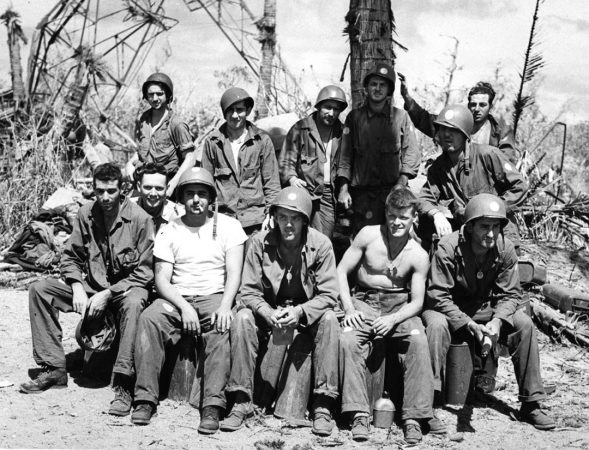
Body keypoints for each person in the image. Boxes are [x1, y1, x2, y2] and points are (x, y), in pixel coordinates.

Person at [20, 163, 154, 419]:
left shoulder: (140, 219)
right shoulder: (85, 214)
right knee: (40, 288)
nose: (105, 197)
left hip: (123, 294)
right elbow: (70, 256)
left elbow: (144, 273)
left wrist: (108, 294)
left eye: (111, 191)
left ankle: (124, 383)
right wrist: (77, 287)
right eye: (100, 191)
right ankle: (54, 368)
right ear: (93, 189)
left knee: (136, 301)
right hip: (91, 290)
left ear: (123, 189)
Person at [422, 193, 555, 430]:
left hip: (488, 309)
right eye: (484, 226)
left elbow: (511, 294)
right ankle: (426, 404)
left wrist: (497, 321)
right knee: (434, 324)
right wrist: (468, 324)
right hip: (450, 310)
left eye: (496, 227)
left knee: (523, 325)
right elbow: (437, 296)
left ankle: (531, 403)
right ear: (470, 227)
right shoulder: (448, 248)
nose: (491, 233)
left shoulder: (504, 248)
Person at [131, 167, 246, 432]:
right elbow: (162, 280)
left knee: (220, 327)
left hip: (214, 296)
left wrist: (226, 305)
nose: (196, 200)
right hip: (177, 296)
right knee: (150, 318)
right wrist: (183, 306)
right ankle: (145, 399)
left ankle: (212, 406)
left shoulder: (229, 226)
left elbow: (234, 273)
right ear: (182, 198)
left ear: (211, 198)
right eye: (190, 194)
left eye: (202, 194)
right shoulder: (170, 230)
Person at [222, 187, 340, 436]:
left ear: (305, 221)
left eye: (295, 218)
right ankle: (241, 400)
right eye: (283, 217)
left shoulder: (321, 245)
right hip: (269, 313)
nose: (288, 224)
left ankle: (323, 405)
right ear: (274, 217)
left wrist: (299, 312)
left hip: (306, 314)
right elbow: (248, 291)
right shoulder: (258, 242)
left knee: (329, 319)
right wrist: (266, 312)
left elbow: (329, 295)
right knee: (242, 317)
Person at [337, 187, 439, 445]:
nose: (396, 222)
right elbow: (340, 272)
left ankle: (414, 417)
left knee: (417, 340)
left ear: (413, 217)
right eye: (392, 215)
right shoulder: (368, 236)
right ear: (386, 212)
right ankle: (359, 413)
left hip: (400, 308)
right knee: (349, 339)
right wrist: (349, 308)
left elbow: (417, 301)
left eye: (403, 217)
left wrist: (393, 319)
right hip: (365, 301)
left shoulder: (418, 254)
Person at [417, 104, 527, 251]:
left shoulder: (488, 155)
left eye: (453, 130)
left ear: (464, 135)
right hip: (467, 236)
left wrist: (493, 211)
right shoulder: (438, 168)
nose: (447, 135)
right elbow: (425, 198)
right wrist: (436, 214)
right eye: (443, 129)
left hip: (497, 234)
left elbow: (520, 186)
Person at [336, 63, 420, 235]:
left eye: (383, 85)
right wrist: (343, 190)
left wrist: (401, 184)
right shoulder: (354, 118)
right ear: (366, 88)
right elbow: (345, 157)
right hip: (362, 197)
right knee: (363, 243)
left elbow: (411, 153)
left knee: (395, 242)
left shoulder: (401, 117)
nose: (377, 89)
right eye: (373, 84)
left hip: (392, 194)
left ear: (389, 90)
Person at [201, 87, 280, 235]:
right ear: (224, 113)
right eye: (230, 110)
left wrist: (271, 214)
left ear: (248, 111)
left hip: (255, 221)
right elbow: (205, 184)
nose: (235, 115)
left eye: (240, 110)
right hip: (223, 220)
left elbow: (272, 183)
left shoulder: (262, 141)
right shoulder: (212, 143)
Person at [278, 85, 347, 239]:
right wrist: (292, 178)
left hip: (328, 194)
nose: (332, 113)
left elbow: (346, 164)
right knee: (297, 235)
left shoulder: (342, 132)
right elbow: (286, 159)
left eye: (336, 109)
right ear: (318, 106)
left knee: (323, 239)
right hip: (304, 190)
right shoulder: (300, 129)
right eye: (327, 107)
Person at [399, 76, 517, 163]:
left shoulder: (500, 130)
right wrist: (407, 97)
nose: (476, 109)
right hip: (455, 179)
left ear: (490, 107)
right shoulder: (456, 122)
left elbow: (506, 161)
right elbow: (425, 120)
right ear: (468, 105)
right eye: (473, 104)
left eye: (482, 105)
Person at [127, 72, 196, 198]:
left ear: (168, 95)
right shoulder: (144, 119)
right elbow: (142, 150)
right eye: (151, 94)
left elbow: (190, 158)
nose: (154, 98)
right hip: (144, 183)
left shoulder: (176, 124)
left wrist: (173, 185)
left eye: (159, 94)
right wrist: (130, 164)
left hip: (165, 186)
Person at [131, 162, 184, 232]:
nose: (153, 194)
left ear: (167, 189)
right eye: (148, 187)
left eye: (159, 188)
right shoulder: (126, 209)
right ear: (138, 186)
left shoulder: (178, 215)